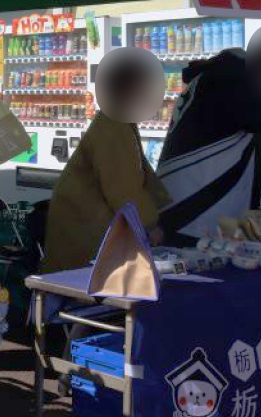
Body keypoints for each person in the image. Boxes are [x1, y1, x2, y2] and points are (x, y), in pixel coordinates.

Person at [44, 63, 170, 273]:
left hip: (83, 231)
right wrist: (150, 224)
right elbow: (123, 189)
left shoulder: (117, 120)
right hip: (86, 241)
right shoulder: (114, 127)